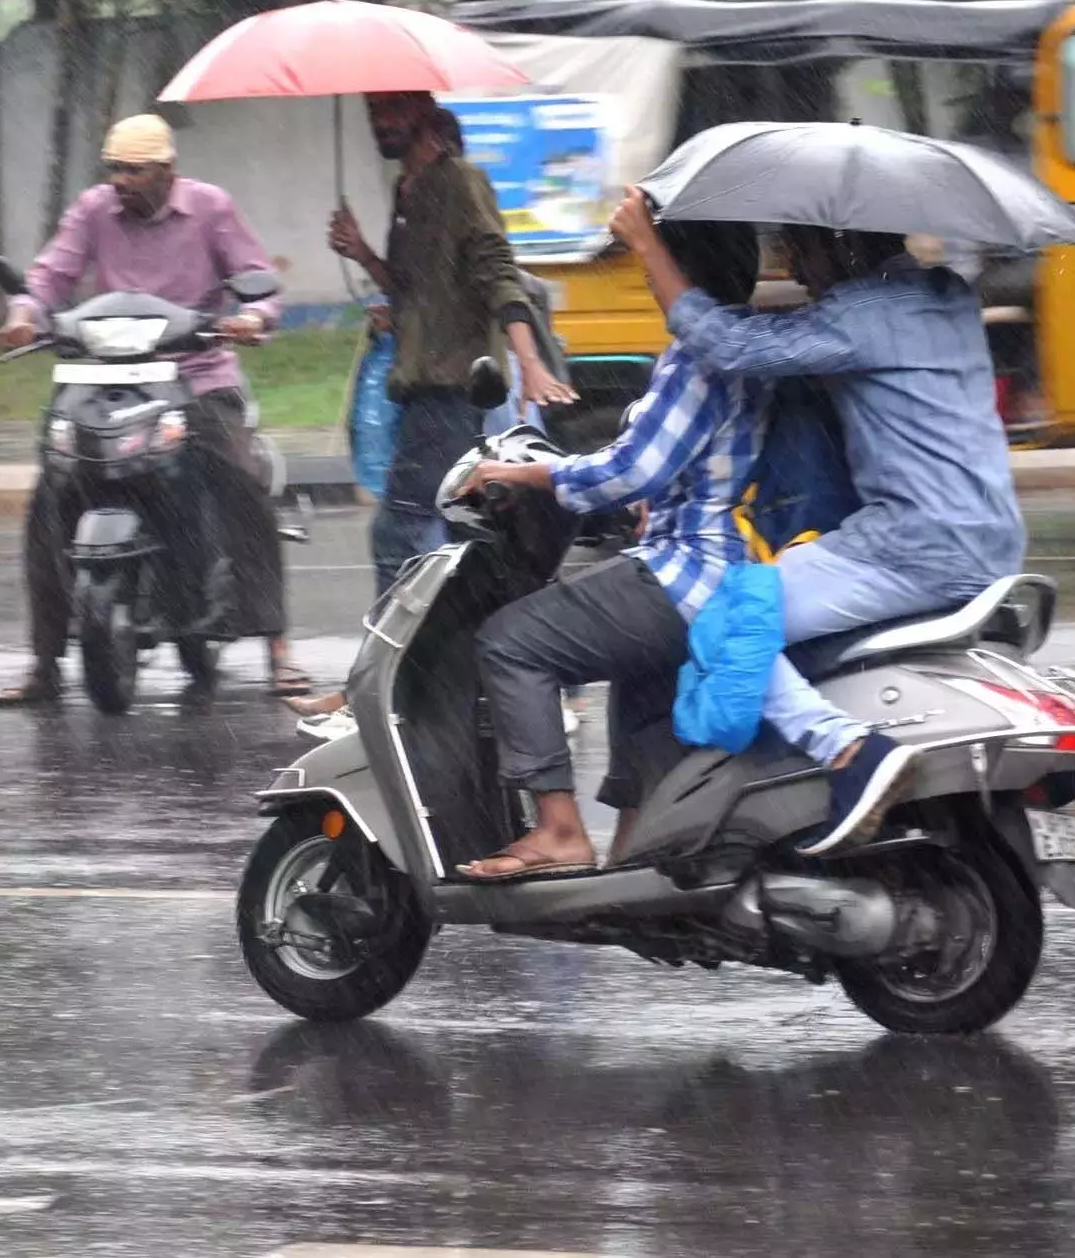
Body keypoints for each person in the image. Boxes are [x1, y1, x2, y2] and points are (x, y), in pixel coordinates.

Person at [613, 189, 1026, 856]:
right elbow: (809, 334)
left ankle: (847, 753)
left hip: (911, 545)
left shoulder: (859, 314)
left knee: (723, 613)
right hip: (993, 540)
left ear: (842, 244)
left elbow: (727, 347)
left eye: (801, 249)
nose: (796, 269)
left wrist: (646, 245)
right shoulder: (947, 295)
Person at [452, 219, 769, 880]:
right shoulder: (747, 347)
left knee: (511, 641)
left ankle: (560, 832)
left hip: (685, 573)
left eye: (652, 261)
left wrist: (521, 475)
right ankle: (635, 854)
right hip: (716, 573)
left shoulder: (697, 357)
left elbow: (628, 471)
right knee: (640, 686)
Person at [0, 113, 308, 705]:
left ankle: (278, 651)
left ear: (167, 171)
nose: (121, 181)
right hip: (106, 377)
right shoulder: (93, 211)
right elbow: (49, 274)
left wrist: (251, 318)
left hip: (198, 376)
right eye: (114, 170)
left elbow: (258, 281)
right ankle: (45, 663)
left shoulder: (210, 209)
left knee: (239, 481)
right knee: (49, 496)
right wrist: (24, 314)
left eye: (135, 170)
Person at [327, 93, 575, 595]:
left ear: (423, 112)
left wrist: (529, 362)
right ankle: (468, 642)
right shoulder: (407, 191)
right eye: (373, 112)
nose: (381, 123)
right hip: (418, 391)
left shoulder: (461, 180)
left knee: (398, 532)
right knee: (459, 532)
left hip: (452, 389)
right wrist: (362, 255)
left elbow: (498, 273)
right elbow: (410, 288)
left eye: (392, 110)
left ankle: (396, 659)